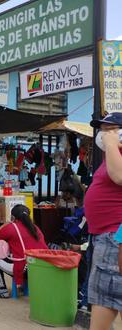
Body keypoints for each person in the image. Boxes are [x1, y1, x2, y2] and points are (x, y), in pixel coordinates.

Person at [84, 113, 122, 329]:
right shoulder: (112, 155)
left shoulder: (116, 153)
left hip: (114, 237)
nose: (104, 134)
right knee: (103, 302)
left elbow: (119, 176)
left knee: (107, 301)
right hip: (106, 238)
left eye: (111, 129)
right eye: (103, 130)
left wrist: (111, 144)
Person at [0, 204, 48, 298]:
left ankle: (2, 290)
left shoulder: (11, 227)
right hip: (39, 267)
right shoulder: (35, 228)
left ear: (13, 217)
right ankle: (23, 287)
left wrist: (4, 225)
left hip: (23, 268)